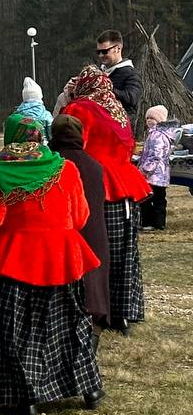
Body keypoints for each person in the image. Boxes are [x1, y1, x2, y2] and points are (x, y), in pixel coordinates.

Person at [0, 114, 103, 415]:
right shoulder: (64, 168)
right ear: (39, 136)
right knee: (69, 327)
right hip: (62, 258)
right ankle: (87, 388)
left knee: (15, 332)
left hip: (15, 260)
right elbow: (81, 217)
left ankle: (24, 399)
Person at [61, 67, 150, 335]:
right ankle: (124, 311)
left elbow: (72, 144)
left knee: (97, 250)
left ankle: (97, 309)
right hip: (127, 185)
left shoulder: (80, 109)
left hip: (97, 185)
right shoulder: (117, 109)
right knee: (126, 251)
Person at [49, 115, 111, 337]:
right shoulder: (94, 165)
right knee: (93, 277)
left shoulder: (53, 164)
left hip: (65, 232)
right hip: (94, 230)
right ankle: (95, 321)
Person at [138, 105, 179, 231]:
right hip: (161, 175)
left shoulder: (156, 135)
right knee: (160, 199)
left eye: (152, 118)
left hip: (153, 175)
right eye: (147, 118)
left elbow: (156, 156)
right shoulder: (162, 135)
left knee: (146, 199)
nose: (149, 121)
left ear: (160, 120)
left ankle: (149, 222)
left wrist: (145, 170)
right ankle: (159, 222)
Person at [96, 29, 141, 118]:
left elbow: (132, 98)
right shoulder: (98, 71)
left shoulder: (131, 74)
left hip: (119, 123)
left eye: (105, 51)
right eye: (98, 52)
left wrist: (106, 89)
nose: (101, 55)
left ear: (117, 49)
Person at [14, 78, 54, 143]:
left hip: (21, 150)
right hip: (42, 149)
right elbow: (52, 136)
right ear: (40, 97)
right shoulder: (46, 115)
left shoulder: (16, 116)